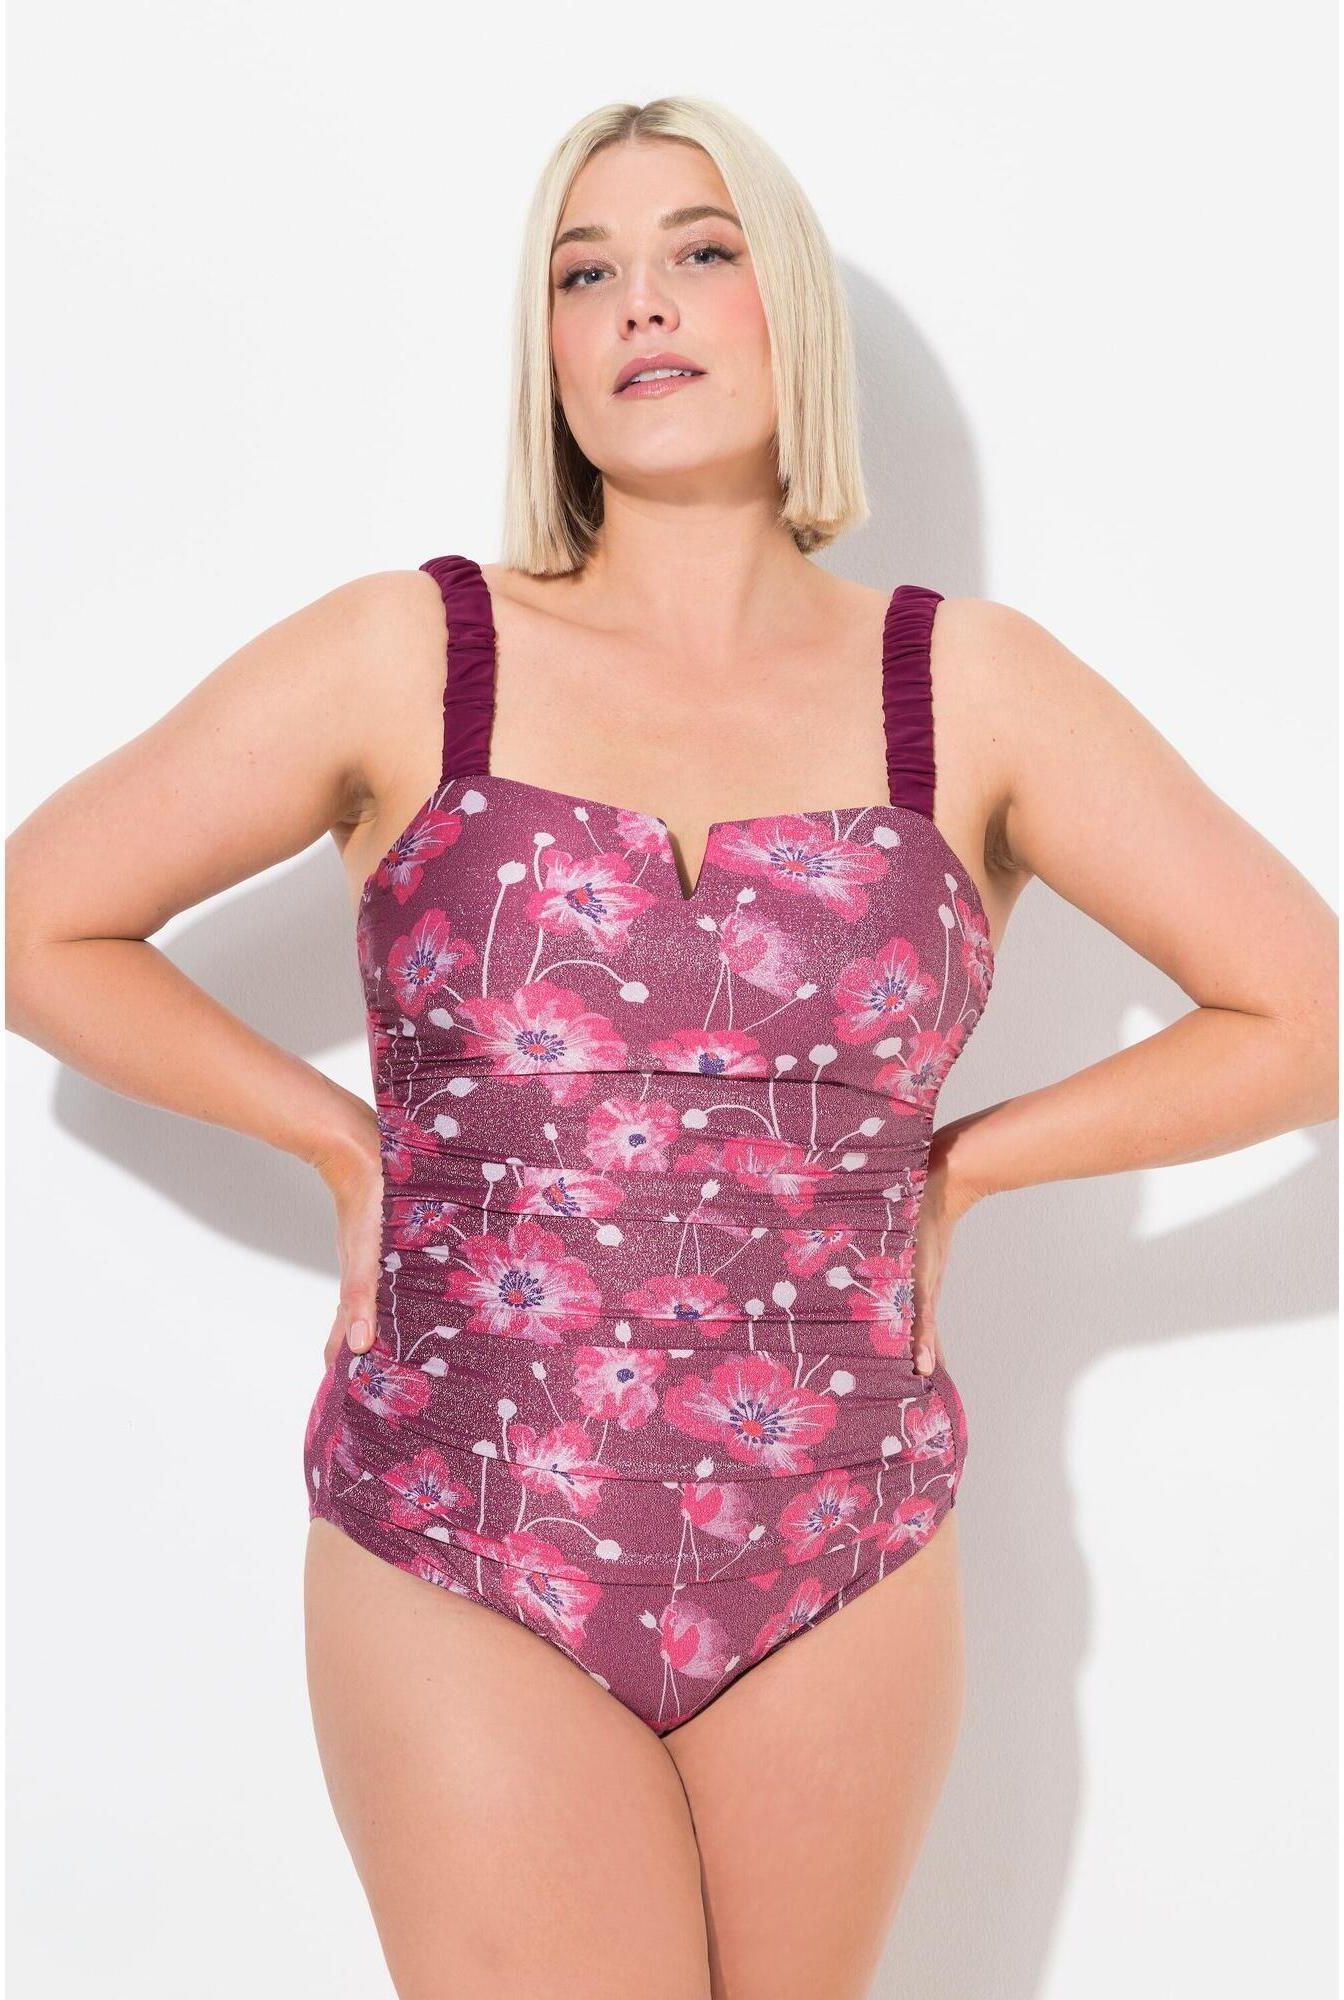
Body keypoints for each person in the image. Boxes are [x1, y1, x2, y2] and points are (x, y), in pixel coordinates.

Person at [5, 92, 1336, 2000]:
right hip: (463, 1514)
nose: (642, 301)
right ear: (547, 354)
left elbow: (1304, 1009)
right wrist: (339, 1142)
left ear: (788, 304)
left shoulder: (969, 686)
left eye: (700, 251)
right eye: (585, 272)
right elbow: (39, 917)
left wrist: (964, 1169)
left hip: (843, 1533)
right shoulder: (410, 651)